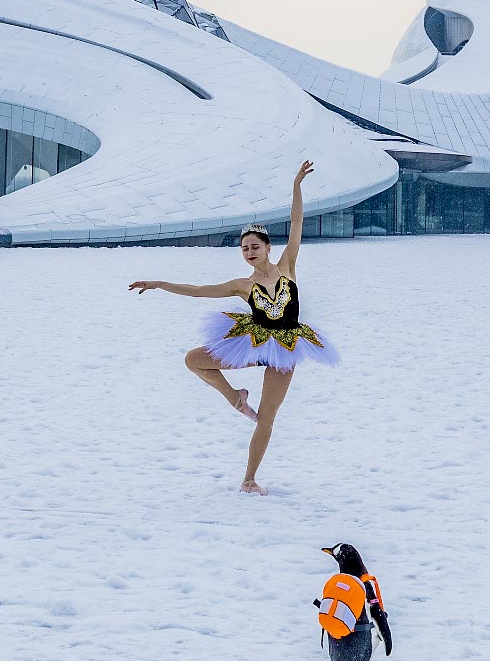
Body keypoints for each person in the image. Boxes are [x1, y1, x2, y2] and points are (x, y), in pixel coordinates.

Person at [129, 160, 338, 494]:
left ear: (268, 247)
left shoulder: (287, 265)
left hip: (285, 348)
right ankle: (235, 397)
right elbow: (199, 291)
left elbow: (297, 220)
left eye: (255, 247)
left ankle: (249, 479)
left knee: (267, 418)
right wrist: (158, 283)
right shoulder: (242, 284)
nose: (249, 252)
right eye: (244, 249)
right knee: (194, 359)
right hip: (255, 343)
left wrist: (297, 184)